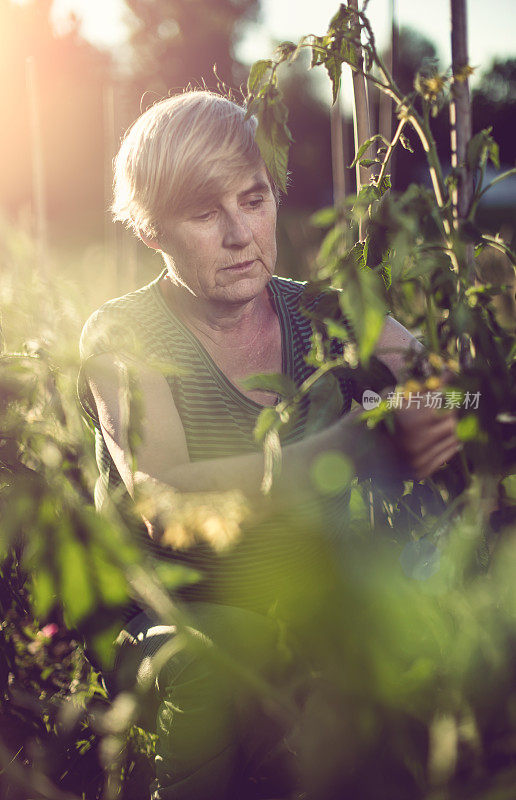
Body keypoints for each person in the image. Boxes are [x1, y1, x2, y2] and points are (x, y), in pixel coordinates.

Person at [78, 90, 460, 799]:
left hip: (308, 600)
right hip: (174, 614)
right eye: (203, 213)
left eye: (253, 200)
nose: (239, 233)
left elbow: (443, 387)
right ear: (152, 233)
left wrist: (426, 407)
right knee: (213, 660)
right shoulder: (123, 335)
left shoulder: (325, 310)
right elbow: (162, 499)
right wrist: (351, 447)